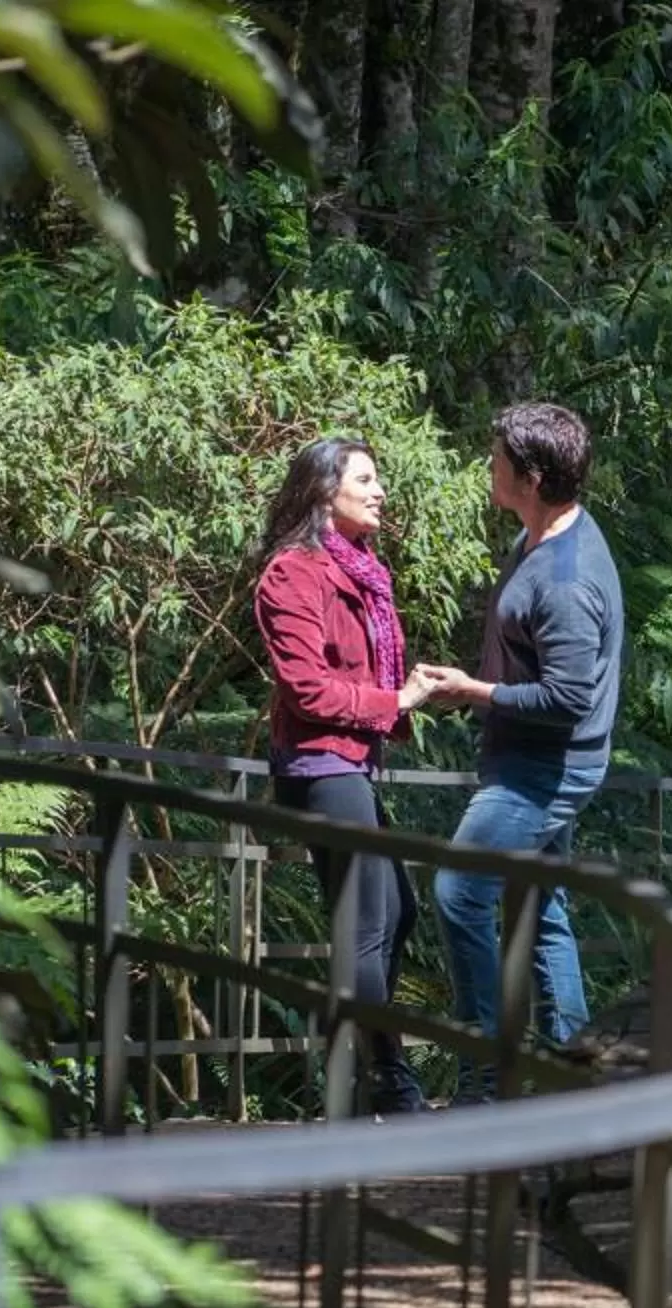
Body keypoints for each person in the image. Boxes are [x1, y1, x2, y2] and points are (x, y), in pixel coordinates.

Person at [412, 402, 624, 1105]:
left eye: (498, 455)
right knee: (539, 906)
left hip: (544, 771)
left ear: (529, 477)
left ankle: (484, 1072)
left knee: (459, 889)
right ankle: (577, 1072)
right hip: (529, 760)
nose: (488, 464)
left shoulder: (565, 581)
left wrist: (476, 692)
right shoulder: (537, 536)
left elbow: (568, 697)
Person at [254, 436, 443, 1117]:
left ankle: (356, 1077)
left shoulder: (361, 570)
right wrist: (394, 702)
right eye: (365, 478)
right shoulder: (292, 573)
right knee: (366, 926)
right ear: (323, 490)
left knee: (396, 915)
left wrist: (409, 692)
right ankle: (389, 1080)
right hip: (318, 765)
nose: (380, 490)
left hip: (352, 762)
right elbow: (306, 689)